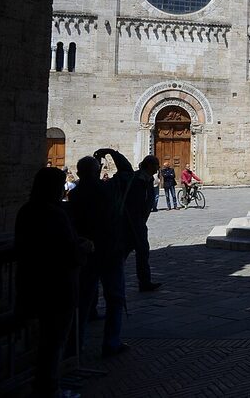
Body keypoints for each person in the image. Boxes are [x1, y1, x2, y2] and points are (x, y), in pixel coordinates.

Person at [15, 167, 89, 395]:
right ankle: (50, 388)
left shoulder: (25, 210)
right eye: (59, 186)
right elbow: (69, 250)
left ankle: (41, 384)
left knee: (40, 340)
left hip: (32, 283)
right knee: (54, 341)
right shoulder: (55, 213)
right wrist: (84, 247)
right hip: (58, 287)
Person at [67, 154, 128, 357]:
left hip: (85, 253)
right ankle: (111, 343)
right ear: (97, 170)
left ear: (78, 172)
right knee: (115, 298)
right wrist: (113, 152)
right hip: (109, 252)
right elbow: (126, 172)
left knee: (82, 300)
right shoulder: (105, 191)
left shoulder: (74, 196)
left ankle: (75, 346)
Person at [125, 154, 162, 291]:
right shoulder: (137, 179)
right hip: (132, 221)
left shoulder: (148, 179)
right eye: (156, 165)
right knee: (128, 250)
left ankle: (145, 281)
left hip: (140, 221)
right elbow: (134, 201)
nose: (158, 168)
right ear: (149, 165)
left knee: (142, 251)